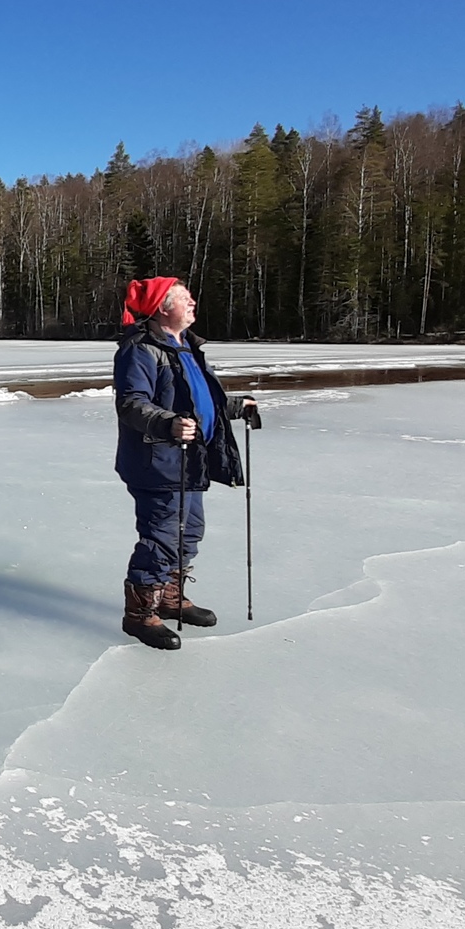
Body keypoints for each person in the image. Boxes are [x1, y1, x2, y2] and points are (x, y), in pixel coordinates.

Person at [112, 277, 259, 650]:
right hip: (157, 462)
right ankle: (140, 615)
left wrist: (235, 406)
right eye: (184, 298)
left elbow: (198, 401)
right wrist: (167, 423)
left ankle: (171, 598)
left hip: (191, 462)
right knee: (162, 536)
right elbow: (131, 404)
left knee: (188, 532)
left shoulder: (187, 347)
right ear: (163, 307)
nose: (193, 302)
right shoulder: (140, 350)